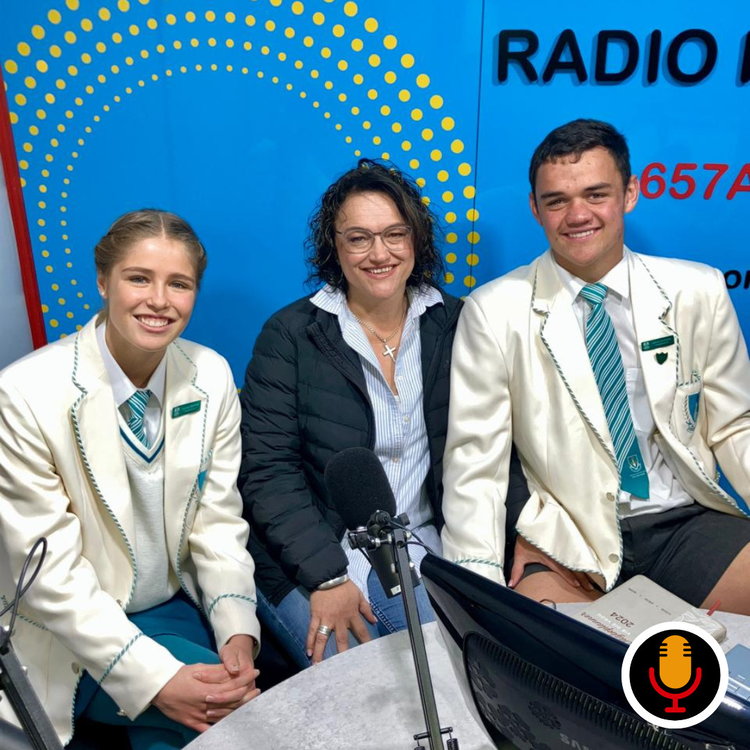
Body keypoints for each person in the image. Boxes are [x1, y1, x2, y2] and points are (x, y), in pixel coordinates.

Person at [441, 119, 750, 613]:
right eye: (557, 201)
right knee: (538, 651)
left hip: (682, 524)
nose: (577, 215)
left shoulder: (698, 291)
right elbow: (476, 465)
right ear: (535, 209)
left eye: (596, 194)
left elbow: (736, 426)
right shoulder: (494, 311)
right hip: (568, 539)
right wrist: (476, 586)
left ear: (630, 193)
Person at [0, 209, 261, 748]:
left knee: (227, 706)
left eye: (179, 284)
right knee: (220, 717)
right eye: (139, 278)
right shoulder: (23, 395)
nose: (159, 300)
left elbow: (217, 524)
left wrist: (238, 631)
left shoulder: (211, 376)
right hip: (65, 633)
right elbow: (51, 579)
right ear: (103, 281)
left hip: (170, 609)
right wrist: (156, 680)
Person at [238, 159, 466, 667]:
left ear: (416, 239)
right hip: (313, 553)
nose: (379, 253)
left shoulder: (456, 324)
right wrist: (328, 577)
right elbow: (268, 472)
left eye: (394, 234)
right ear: (334, 247)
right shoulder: (291, 335)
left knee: (449, 666)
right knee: (370, 681)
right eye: (359, 238)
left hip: (424, 543)